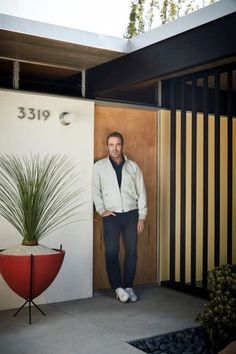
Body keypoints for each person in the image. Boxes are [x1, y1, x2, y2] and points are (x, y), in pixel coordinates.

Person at [93, 131, 147, 303]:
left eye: (117, 144)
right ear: (106, 146)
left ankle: (129, 287)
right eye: (111, 145)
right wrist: (101, 209)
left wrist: (142, 216)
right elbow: (95, 190)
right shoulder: (99, 167)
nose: (114, 148)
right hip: (112, 215)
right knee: (112, 251)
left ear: (122, 146)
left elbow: (142, 191)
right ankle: (118, 287)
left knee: (132, 252)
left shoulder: (133, 167)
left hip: (132, 214)